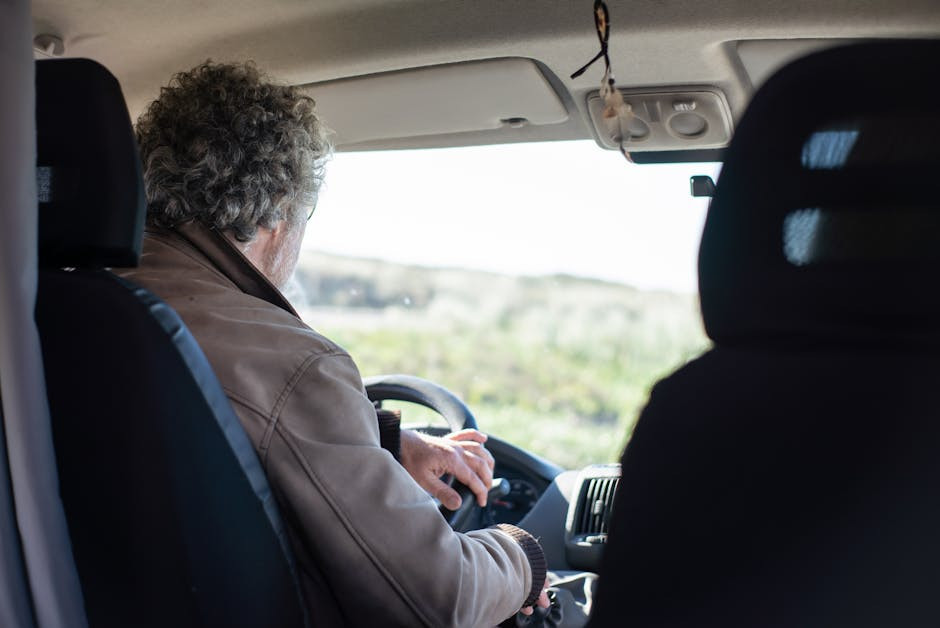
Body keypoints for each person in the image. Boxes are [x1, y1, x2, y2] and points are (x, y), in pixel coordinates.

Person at [119, 60, 549, 626]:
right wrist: (523, 556)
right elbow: (437, 601)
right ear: (279, 209)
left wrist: (384, 442)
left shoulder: (78, 299)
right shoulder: (295, 365)